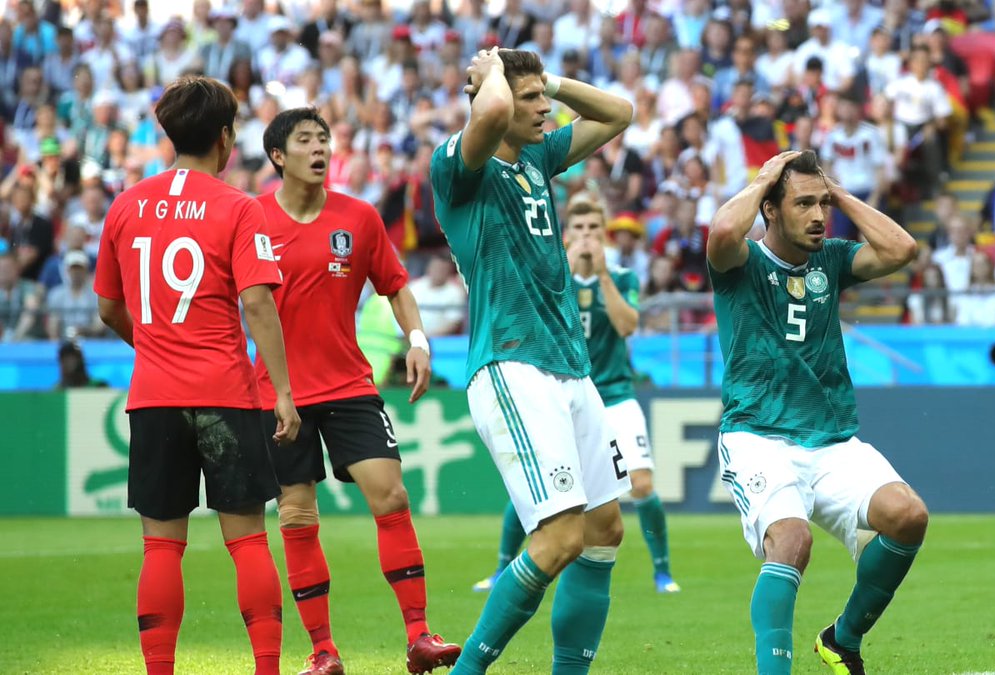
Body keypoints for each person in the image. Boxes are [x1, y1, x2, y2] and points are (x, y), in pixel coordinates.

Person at [430, 48, 633, 674]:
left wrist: (551, 80)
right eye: (532, 99)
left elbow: (619, 113)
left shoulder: (538, 157)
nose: (546, 109)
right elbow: (490, 110)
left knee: (604, 530)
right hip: (513, 365)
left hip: (570, 366)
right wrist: (491, 74)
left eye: (545, 97)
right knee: (561, 536)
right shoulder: (458, 168)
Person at [92, 76, 301, 675]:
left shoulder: (126, 205)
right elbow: (257, 302)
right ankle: (267, 668)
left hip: (154, 396)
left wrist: (154, 346)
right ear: (225, 137)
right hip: (225, 394)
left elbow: (107, 307)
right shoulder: (239, 207)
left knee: (161, 547)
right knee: (249, 542)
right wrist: (284, 392)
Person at [706, 149, 927, 675]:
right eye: (803, 203)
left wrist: (841, 194)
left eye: (822, 203)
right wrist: (763, 178)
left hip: (830, 439)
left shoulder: (830, 259)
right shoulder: (741, 262)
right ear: (770, 209)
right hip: (757, 434)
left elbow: (902, 249)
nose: (818, 215)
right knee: (792, 540)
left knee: (908, 516)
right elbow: (722, 232)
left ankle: (841, 640)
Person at [256, 107, 460, 675]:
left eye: (323, 139)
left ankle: (419, 636)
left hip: (348, 384)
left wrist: (417, 339)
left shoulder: (359, 217)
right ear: (278, 156)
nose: (319, 148)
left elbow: (395, 286)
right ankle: (323, 652)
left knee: (391, 497)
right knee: (297, 516)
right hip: (278, 392)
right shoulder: (252, 220)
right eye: (305, 140)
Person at [472, 197, 680, 596]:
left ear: (604, 235)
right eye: (580, 229)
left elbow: (627, 326)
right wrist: (566, 273)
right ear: (566, 235)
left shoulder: (622, 278)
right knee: (540, 483)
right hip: (563, 395)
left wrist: (601, 275)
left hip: (615, 394)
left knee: (641, 484)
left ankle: (662, 572)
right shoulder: (552, 277)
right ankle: (501, 568)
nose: (587, 237)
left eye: (594, 230)